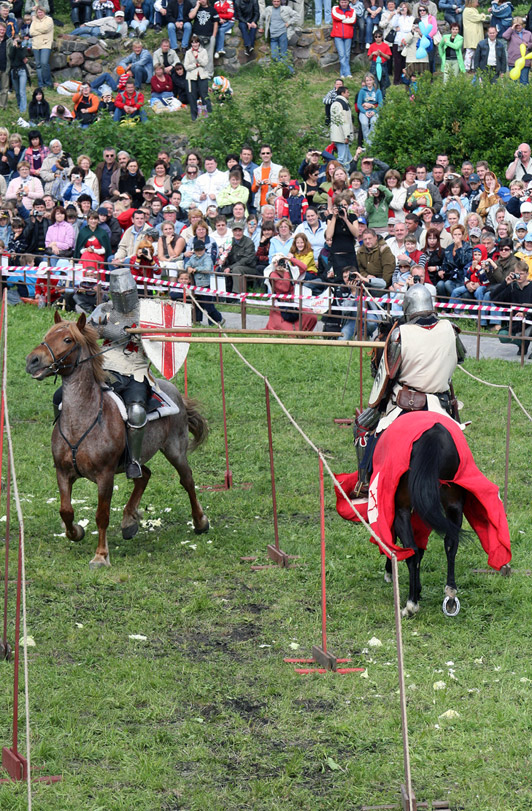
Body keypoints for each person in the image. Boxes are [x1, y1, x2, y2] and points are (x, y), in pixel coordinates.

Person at [353, 283, 465, 495]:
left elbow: (387, 373)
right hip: (441, 403)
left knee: (361, 425)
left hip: (405, 402)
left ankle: (364, 482)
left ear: (407, 307)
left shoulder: (400, 335)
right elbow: (461, 356)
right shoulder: (451, 328)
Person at [88, 268, 153, 478]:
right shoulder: (104, 308)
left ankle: (133, 460)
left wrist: (141, 336)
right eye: (119, 295)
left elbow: (159, 337)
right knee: (67, 396)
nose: (123, 298)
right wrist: (114, 331)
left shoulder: (148, 311)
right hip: (105, 365)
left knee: (136, 412)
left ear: (133, 291)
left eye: (127, 294)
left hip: (135, 368)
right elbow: (87, 330)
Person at [262, 0, 299, 71]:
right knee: (274, 56)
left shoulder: (286, 9)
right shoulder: (268, 9)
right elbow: (261, 17)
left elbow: (297, 16)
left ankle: (290, 71)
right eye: (274, 1)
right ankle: (284, 70)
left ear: (280, 2)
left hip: (283, 34)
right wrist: (261, 26)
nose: (276, 3)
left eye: (278, 1)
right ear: (272, 2)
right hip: (273, 36)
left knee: (283, 55)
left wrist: (289, 22)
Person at [184, 35, 212, 120]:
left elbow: (205, 63)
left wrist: (197, 57)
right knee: (192, 96)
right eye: (193, 43)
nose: (194, 44)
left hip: (202, 76)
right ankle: (194, 117)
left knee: (204, 95)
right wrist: (196, 65)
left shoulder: (203, 51)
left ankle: (209, 115)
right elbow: (186, 66)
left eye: (196, 42)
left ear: (199, 43)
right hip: (191, 77)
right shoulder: (188, 53)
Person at [329, 85, 354, 169]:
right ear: (342, 93)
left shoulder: (336, 103)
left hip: (338, 134)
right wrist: (346, 136)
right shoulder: (342, 104)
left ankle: (347, 174)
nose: (349, 94)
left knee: (348, 158)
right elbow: (345, 122)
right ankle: (338, 174)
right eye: (347, 92)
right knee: (342, 158)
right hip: (341, 136)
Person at [330, 0, 357, 78]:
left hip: (348, 35)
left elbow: (353, 20)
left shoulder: (352, 9)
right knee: (342, 55)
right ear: (339, 2)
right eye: (342, 2)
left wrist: (341, 20)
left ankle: (342, 73)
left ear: (348, 2)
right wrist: (346, 18)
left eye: (345, 2)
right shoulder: (335, 8)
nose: (344, 4)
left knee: (347, 55)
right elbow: (334, 16)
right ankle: (347, 72)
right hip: (338, 35)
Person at [29, 6, 53, 88]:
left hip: (46, 44)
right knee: (38, 65)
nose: (40, 13)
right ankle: (41, 84)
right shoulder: (34, 20)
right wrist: (40, 31)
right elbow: (31, 32)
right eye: (38, 12)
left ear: (44, 12)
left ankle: (48, 83)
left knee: (44, 63)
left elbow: (45, 29)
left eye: (41, 12)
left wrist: (37, 30)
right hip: (35, 45)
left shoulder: (49, 19)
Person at [504, 18, 532, 85]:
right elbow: (504, 36)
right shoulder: (511, 33)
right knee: (513, 82)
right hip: (513, 61)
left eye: (519, 25)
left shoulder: (528, 33)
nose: (518, 27)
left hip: (525, 61)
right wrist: (511, 28)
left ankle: (524, 95)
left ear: (523, 25)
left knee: (524, 82)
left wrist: (528, 45)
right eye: (516, 25)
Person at [357, 73, 383, 145]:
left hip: (374, 111)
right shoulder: (362, 91)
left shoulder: (377, 91)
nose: (368, 82)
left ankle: (370, 143)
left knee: (374, 123)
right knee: (364, 123)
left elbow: (381, 104)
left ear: (373, 81)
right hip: (364, 111)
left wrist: (375, 111)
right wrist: (364, 112)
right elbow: (359, 104)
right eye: (367, 80)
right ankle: (368, 143)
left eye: (370, 80)